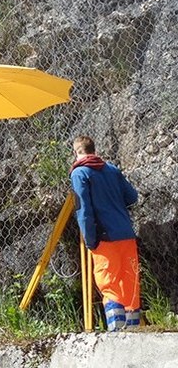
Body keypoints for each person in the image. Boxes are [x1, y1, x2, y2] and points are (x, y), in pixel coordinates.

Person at [70, 135, 140, 331]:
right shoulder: (111, 169)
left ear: (76, 152)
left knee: (108, 282)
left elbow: (83, 210)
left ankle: (117, 331)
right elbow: (132, 197)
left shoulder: (80, 174)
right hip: (126, 233)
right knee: (129, 281)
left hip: (104, 237)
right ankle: (133, 330)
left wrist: (90, 240)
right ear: (93, 149)